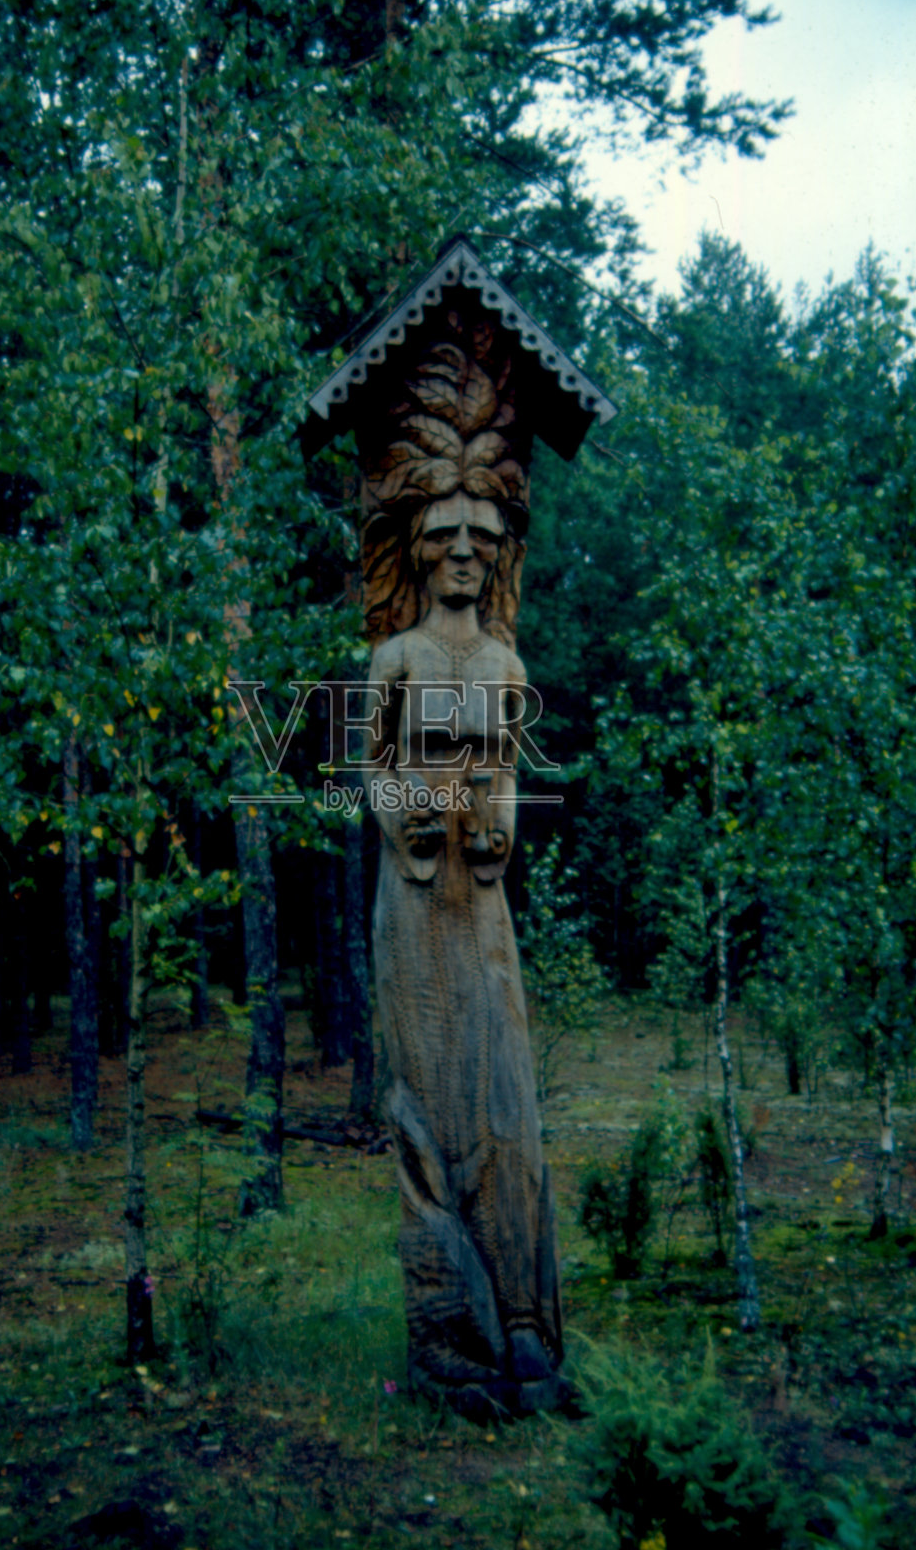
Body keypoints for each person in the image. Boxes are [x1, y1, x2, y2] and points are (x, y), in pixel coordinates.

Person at [364, 485, 566, 1416]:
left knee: (504, 1090)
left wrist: (501, 823)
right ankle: (450, 1325)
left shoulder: (504, 663)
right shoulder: (394, 657)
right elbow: (367, 767)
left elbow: (513, 768)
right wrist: (404, 810)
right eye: (440, 535)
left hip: (479, 897)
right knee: (429, 1094)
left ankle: (521, 1312)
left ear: (496, 554)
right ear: (412, 550)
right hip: (413, 896)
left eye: (478, 537)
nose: (459, 551)